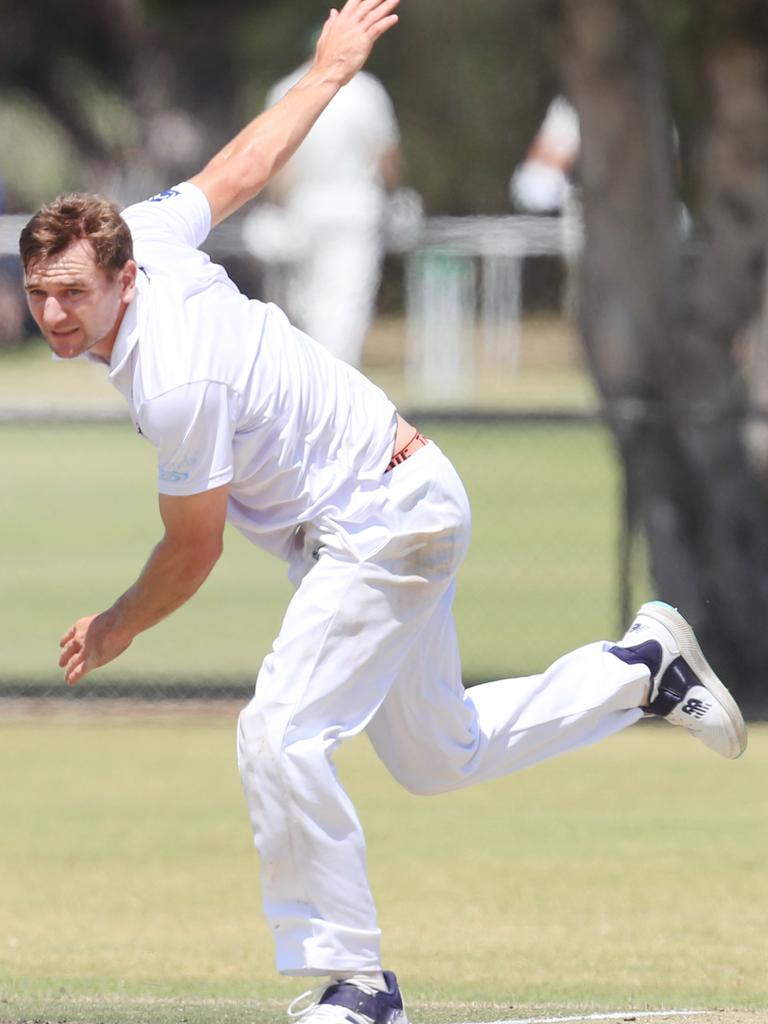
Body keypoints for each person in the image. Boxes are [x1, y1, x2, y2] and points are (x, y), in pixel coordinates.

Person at [20, 3, 747, 1022]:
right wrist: (324, 69)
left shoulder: (171, 377)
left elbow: (193, 548)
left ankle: (358, 984)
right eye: (38, 290)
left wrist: (116, 623)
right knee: (436, 753)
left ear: (122, 277)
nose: (53, 312)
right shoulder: (153, 237)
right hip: (394, 502)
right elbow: (242, 164)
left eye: (71, 294)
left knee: (278, 731)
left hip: (381, 517)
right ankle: (637, 673)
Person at [244, 39, 400, 369]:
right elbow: (386, 157)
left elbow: (279, 165)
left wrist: (279, 208)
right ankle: (334, 387)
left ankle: (317, 385)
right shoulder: (367, 91)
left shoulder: (287, 89)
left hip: (305, 209)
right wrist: (395, 194)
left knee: (312, 305)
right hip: (355, 209)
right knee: (345, 305)